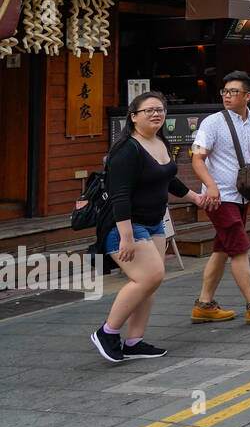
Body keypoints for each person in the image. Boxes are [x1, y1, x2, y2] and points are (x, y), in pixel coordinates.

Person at [90, 91, 213, 363]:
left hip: (155, 222)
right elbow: (120, 195)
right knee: (149, 277)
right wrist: (126, 237)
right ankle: (107, 332)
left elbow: (168, 179)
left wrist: (195, 198)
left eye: (160, 109)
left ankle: (134, 342)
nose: (156, 114)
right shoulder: (126, 150)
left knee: (149, 284)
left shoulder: (159, 142)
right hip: (126, 226)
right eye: (149, 110)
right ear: (133, 117)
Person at [190, 71, 250, 324]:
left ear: (248, 96)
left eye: (233, 92)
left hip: (243, 195)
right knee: (239, 248)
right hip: (219, 197)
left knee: (222, 248)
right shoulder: (212, 123)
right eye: (225, 91)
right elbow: (197, 159)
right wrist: (210, 186)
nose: (227, 96)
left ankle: (204, 305)